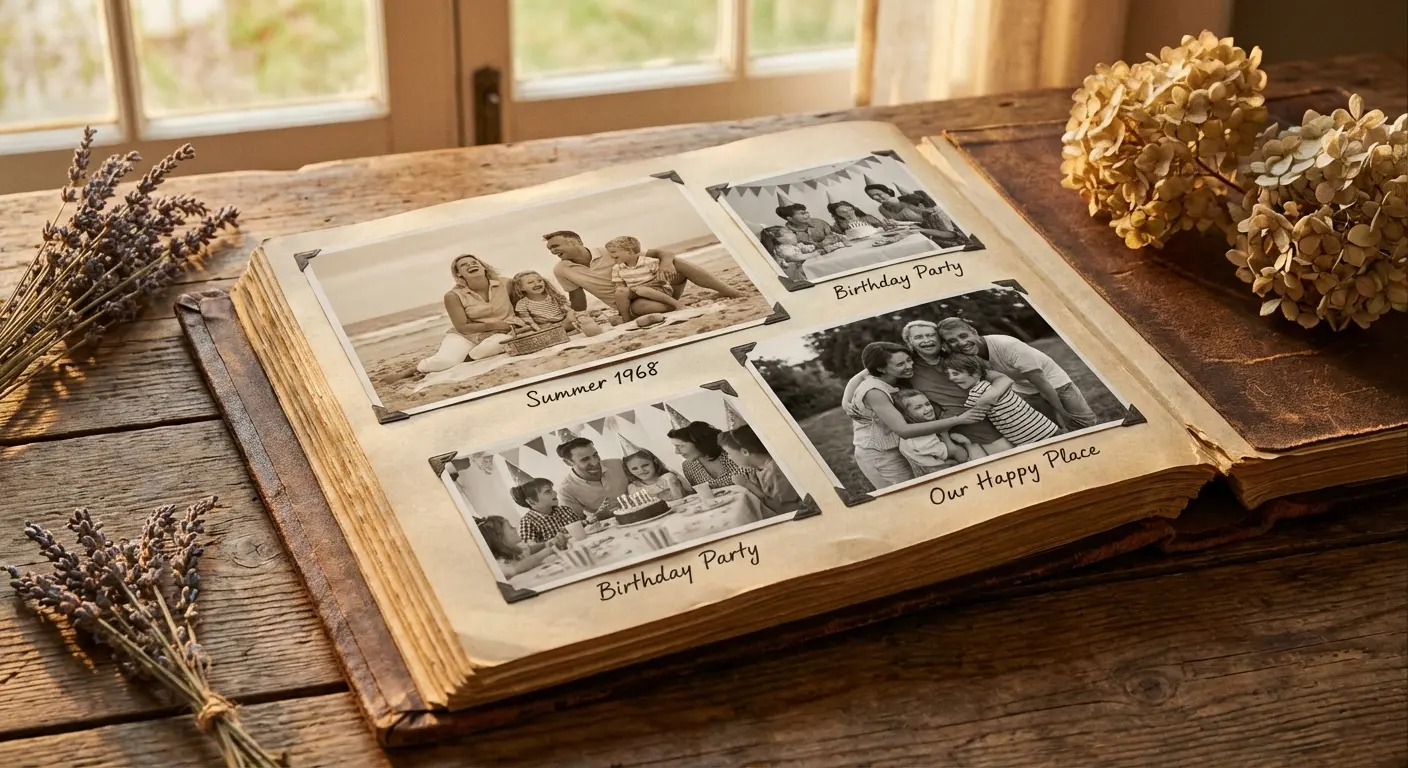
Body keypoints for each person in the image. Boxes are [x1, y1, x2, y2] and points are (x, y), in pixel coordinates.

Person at [846, 342, 987, 491]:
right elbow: (904, 430)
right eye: (901, 364)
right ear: (881, 368)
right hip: (880, 454)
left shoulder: (892, 379)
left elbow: (861, 374)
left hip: (904, 447)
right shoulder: (874, 391)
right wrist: (959, 419)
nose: (909, 365)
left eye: (909, 360)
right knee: (905, 497)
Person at [936, 317, 1098, 431]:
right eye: (952, 341)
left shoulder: (1008, 345)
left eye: (963, 336)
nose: (961, 343)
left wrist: (1063, 413)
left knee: (1084, 422)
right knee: (1051, 429)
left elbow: (1041, 383)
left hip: (1055, 384)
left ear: (974, 332)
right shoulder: (966, 356)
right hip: (1025, 390)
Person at [543, 230, 742, 321]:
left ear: (574, 241)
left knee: (677, 263)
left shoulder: (611, 251)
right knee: (646, 306)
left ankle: (730, 291)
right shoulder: (561, 270)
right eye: (550, 248)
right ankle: (673, 305)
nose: (552, 251)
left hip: (658, 286)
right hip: (631, 301)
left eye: (555, 246)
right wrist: (574, 316)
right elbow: (578, 299)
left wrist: (665, 263)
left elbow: (664, 254)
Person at [894, 320, 1014, 456]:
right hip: (954, 427)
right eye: (918, 337)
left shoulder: (957, 358)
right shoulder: (909, 368)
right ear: (910, 343)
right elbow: (879, 367)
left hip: (992, 416)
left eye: (931, 335)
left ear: (940, 339)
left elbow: (1002, 379)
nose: (926, 340)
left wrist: (990, 396)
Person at [415, 254, 527, 373]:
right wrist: (493, 326)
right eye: (464, 265)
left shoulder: (506, 283)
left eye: (474, 262)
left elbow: (521, 307)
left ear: (483, 267)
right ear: (458, 274)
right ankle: (415, 369)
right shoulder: (453, 296)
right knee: (444, 362)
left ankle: (465, 358)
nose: (470, 265)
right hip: (467, 335)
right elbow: (462, 327)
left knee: (488, 347)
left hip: (502, 332)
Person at [944, 354, 1060, 445]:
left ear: (975, 373)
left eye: (956, 374)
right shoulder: (992, 385)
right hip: (1044, 426)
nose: (951, 378)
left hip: (1029, 436)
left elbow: (971, 415)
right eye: (948, 375)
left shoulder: (976, 393)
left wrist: (948, 420)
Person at [718, 425, 801, 516]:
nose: (729, 458)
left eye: (729, 453)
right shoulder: (759, 469)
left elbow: (791, 511)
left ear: (745, 452)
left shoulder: (776, 473)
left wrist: (748, 485)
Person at [891, 389, 976, 472]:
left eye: (927, 404)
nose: (927, 409)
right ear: (905, 414)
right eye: (918, 408)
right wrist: (946, 434)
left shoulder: (918, 429)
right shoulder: (922, 442)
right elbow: (959, 455)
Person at [605, 235, 682, 318]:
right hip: (636, 292)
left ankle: (676, 304)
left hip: (658, 290)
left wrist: (645, 287)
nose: (611, 255)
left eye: (613, 252)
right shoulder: (617, 268)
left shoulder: (649, 262)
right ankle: (626, 318)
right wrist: (624, 293)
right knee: (620, 292)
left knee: (641, 290)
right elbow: (620, 286)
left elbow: (662, 281)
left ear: (630, 252)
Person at [555, 437, 631, 520]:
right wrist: (598, 516)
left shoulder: (618, 464)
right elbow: (577, 523)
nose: (595, 462)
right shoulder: (566, 491)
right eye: (585, 460)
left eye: (595, 455)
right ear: (568, 462)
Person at [667, 420, 753, 490]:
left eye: (680, 446)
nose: (676, 452)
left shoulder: (733, 454)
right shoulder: (688, 467)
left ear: (699, 443)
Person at [477, 515, 563, 579]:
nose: (515, 528)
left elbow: (531, 549)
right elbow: (518, 567)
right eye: (510, 527)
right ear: (500, 539)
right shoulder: (501, 563)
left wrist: (547, 543)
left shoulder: (516, 548)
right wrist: (548, 551)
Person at [510, 477, 587, 543]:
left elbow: (582, 527)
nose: (555, 493)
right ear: (531, 501)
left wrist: (592, 519)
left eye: (552, 489)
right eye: (548, 492)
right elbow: (532, 550)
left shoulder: (565, 510)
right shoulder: (527, 523)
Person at [510, 270, 578, 331]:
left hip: (564, 320)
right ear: (521, 288)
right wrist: (537, 330)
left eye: (540, 280)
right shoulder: (522, 304)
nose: (537, 284)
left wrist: (570, 313)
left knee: (574, 313)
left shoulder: (553, 295)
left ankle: (567, 327)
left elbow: (567, 308)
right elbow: (528, 320)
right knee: (528, 328)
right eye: (530, 282)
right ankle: (561, 329)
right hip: (546, 327)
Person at [623, 449, 694, 501]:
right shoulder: (634, 487)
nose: (641, 471)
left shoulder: (668, 478)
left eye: (645, 465)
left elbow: (681, 500)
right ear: (628, 470)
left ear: (655, 462)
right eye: (634, 468)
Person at [776, 203, 843, 251]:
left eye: (807, 212)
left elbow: (836, 234)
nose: (807, 215)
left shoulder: (819, 222)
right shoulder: (786, 234)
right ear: (790, 218)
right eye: (802, 213)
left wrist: (831, 238)